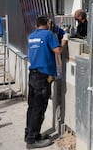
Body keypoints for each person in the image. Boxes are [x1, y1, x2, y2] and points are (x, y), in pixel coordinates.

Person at [24, 16, 66, 149]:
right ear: (47, 24)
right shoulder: (48, 34)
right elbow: (58, 51)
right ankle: (31, 141)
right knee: (39, 108)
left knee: (32, 107)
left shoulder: (31, 36)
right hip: (42, 76)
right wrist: (65, 40)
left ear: (36, 25)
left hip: (33, 75)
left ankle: (31, 135)